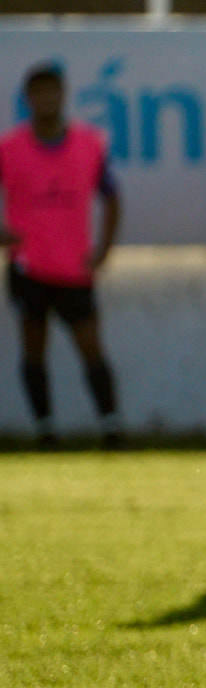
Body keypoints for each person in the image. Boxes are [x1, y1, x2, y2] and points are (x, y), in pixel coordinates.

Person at [0, 61, 123, 449]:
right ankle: (46, 431)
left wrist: (103, 248)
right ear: (28, 99)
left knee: (91, 345)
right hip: (28, 265)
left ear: (63, 95)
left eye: (53, 92)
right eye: (39, 93)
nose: (46, 100)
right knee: (33, 348)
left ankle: (111, 428)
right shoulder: (10, 147)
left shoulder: (88, 144)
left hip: (73, 265)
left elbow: (112, 196)